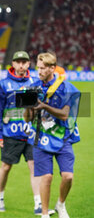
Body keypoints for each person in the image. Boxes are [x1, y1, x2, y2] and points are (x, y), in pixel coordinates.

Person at [0, 51, 49, 215]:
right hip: (10, 134)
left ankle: (38, 203)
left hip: (31, 134)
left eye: (25, 62)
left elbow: (42, 106)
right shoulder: (3, 84)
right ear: (13, 64)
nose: (22, 65)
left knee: (34, 167)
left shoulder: (36, 82)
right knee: (6, 166)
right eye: (19, 62)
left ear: (28, 64)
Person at [24, 52, 80, 218]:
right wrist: (28, 107)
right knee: (46, 177)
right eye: (37, 67)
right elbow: (28, 118)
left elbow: (64, 114)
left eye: (42, 68)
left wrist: (43, 106)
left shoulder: (66, 87)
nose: (39, 71)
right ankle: (44, 214)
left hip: (63, 137)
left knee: (68, 177)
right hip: (41, 137)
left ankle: (61, 204)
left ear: (52, 68)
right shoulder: (33, 87)